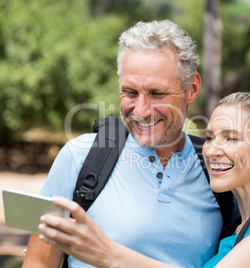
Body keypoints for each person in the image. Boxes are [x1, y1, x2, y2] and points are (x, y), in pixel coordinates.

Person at [22, 20, 233, 268]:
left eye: (157, 93)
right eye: (130, 92)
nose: (141, 111)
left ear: (192, 88)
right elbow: (38, 263)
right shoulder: (78, 156)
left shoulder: (218, 170)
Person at [38, 92, 250, 267]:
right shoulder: (238, 225)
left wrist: (108, 254)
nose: (212, 150)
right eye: (209, 137)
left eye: (231, 138)